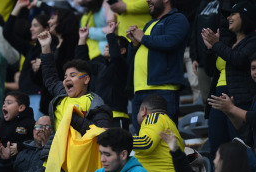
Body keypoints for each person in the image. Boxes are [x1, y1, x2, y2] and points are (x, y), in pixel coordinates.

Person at [37, 30, 113, 159]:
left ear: (86, 79)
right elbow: (50, 78)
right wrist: (45, 47)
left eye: (73, 75)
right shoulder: (63, 95)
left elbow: (101, 133)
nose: (66, 80)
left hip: (80, 160)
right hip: (57, 158)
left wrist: (72, 118)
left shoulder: (95, 103)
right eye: (65, 76)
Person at [202, 1, 256, 162]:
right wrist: (210, 48)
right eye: (227, 15)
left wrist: (217, 45)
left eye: (233, 14)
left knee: (238, 151)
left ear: (245, 16)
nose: (229, 18)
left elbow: (238, 60)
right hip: (220, 99)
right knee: (216, 149)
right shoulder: (228, 43)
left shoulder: (253, 40)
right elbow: (210, 70)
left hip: (241, 102)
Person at [127, 0, 190, 132]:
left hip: (162, 89)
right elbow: (134, 57)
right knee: (141, 140)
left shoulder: (178, 18)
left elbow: (170, 42)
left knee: (163, 140)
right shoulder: (151, 24)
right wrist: (134, 44)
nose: (147, 0)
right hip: (140, 90)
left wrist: (143, 38)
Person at [76, 21, 129, 130]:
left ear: (123, 51)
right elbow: (81, 64)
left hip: (117, 116)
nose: (106, 45)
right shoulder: (101, 67)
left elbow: (116, 57)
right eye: (107, 42)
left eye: (111, 44)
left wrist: (111, 34)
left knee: (117, 146)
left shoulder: (123, 66)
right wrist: (82, 39)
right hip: (99, 116)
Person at [133, 94, 183, 172]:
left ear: (143, 111)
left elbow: (146, 143)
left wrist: (118, 138)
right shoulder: (169, 124)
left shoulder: (154, 118)